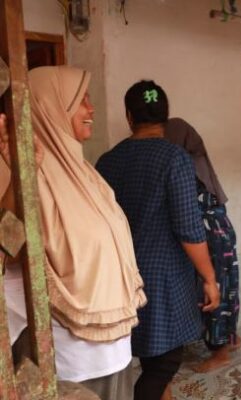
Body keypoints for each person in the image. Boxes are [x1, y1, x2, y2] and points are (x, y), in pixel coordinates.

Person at [0, 66, 146, 400]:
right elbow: (5, 248)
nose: (91, 109)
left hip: (113, 350)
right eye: (80, 100)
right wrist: (22, 179)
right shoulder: (12, 168)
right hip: (67, 359)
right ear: (49, 106)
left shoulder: (83, 173)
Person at [96, 80, 220, 400]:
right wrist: (209, 278)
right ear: (166, 115)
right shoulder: (174, 158)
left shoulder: (107, 162)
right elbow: (189, 229)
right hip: (163, 277)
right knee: (165, 361)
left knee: (151, 355)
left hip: (121, 274)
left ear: (129, 116)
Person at [164, 117, 241, 373]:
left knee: (214, 290)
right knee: (227, 286)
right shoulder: (197, 159)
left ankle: (220, 352)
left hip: (208, 236)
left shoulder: (184, 164)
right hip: (220, 231)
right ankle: (230, 338)